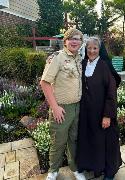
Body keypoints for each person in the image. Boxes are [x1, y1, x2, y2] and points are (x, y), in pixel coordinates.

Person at [40, 28, 86, 180]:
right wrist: (55, 107)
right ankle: (53, 171)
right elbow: (45, 83)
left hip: (77, 107)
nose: (75, 41)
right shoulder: (57, 58)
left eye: (78, 39)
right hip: (61, 108)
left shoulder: (79, 57)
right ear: (65, 41)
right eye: (71, 38)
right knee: (58, 141)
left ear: (81, 42)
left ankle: (74, 168)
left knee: (74, 140)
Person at [77, 37, 122, 180]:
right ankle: (94, 167)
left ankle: (109, 172)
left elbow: (111, 92)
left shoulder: (105, 66)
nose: (91, 51)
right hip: (86, 113)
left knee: (107, 142)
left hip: (102, 112)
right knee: (91, 140)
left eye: (95, 48)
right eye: (89, 48)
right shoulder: (82, 64)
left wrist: (108, 115)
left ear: (99, 49)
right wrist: (52, 57)